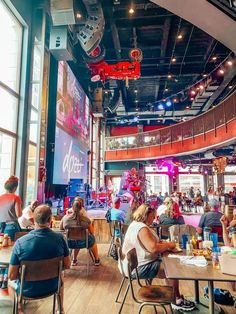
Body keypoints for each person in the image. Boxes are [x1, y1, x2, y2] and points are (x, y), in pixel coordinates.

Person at [121, 204, 195, 312]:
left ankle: (174, 297)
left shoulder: (136, 224)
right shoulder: (141, 228)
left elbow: (151, 244)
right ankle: (177, 300)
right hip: (137, 269)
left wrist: (164, 244)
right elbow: (153, 248)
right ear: (146, 215)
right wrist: (169, 245)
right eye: (153, 216)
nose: (154, 218)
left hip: (131, 266)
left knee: (168, 264)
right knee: (172, 269)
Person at [8, 205, 70, 314]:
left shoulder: (20, 243)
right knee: (61, 278)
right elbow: (67, 265)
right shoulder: (60, 239)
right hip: (53, 286)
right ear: (50, 219)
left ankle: (19, 309)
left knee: (8, 282)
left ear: (33, 220)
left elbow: (12, 276)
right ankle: (60, 309)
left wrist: (26, 275)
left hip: (26, 289)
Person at [60, 199, 100, 266]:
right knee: (92, 239)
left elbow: (61, 229)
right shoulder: (86, 220)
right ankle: (96, 259)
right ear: (81, 208)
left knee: (76, 238)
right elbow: (92, 232)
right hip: (84, 243)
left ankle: (74, 260)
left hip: (69, 243)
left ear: (72, 207)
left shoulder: (65, 218)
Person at [0, 176, 22, 240]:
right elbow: (19, 214)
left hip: (0, 225)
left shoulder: (0, 197)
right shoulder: (16, 197)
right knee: (11, 246)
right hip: (11, 226)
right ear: (15, 188)